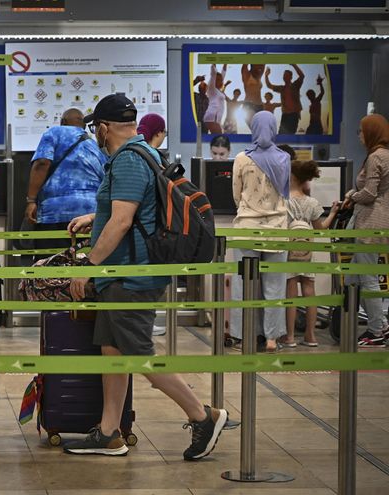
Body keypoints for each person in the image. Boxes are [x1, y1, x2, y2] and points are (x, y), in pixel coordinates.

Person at [62, 94, 228, 460]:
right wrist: (95, 218)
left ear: (104, 128)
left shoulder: (127, 161)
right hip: (120, 274)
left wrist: (87, 267)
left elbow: (123, 221)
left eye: (95, 129)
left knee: (139, 356)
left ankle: (202, 416)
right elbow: (130, 210)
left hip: (130, 277)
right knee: (113, 351)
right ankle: (109, 433)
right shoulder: (141, 154)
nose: (95, 135)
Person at [229, 111, 291, 353]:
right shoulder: (284, 158)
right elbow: (284, 193)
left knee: (243, 286)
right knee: (275, 286)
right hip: (277, 230)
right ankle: (272, 338)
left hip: (247, 228)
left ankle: (245, 336)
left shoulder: (242, 159)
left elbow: (236, 193)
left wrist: (248, 209)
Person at [25, 108, 107, 252]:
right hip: (89, 215)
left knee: (50, 264)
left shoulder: (54, 133)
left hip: (54, 213)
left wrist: (31, 201)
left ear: (63, 122)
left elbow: (42, 163)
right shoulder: (95, 146)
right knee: (83, 263)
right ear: (83, 126)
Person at [342, 113, 389, 347]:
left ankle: (376, 330)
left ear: (371, 132)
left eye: (361, 131)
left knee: (367, 277)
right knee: (352, 276)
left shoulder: (375, 157)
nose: (359, 135)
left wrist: (351, 196)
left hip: (369, 223)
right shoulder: (386, 155)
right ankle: (375, 324)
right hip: (379, 223)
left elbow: (370, 193)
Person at [285, 160, 340, 348]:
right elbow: (320, 228)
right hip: (308, 253)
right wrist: (332, 213)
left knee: (290, 293)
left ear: (292, 177)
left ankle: (290, 337)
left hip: (289, 251)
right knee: (310, 291)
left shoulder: (283, 201)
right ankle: (311, 336)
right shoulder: (313, 203)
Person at [265, 64, 305, 135]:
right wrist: (266, 75)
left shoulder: (295, 85)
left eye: (286, 75)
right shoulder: (281, 88)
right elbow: (269, 85)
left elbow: (302, 76)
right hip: (285, 115)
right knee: (281, 135)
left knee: (291, 135)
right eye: (284, 75)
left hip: (294, 114)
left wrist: (294, 65)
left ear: (291, 77)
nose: (285, 76)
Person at [202, 64, 229, 135]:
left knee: (215, 138)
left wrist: (225, 64)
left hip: (215, 119)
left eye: (221, 80)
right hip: (212, 117)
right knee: (219, 138)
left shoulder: (218, 90)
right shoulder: (212, 89)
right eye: (218, 79)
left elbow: (223, 73)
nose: (221, 81)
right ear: (214, 80)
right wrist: (214, 57)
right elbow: (213, 74)